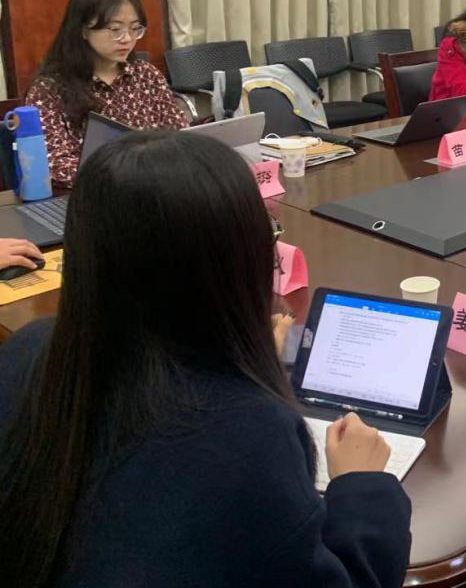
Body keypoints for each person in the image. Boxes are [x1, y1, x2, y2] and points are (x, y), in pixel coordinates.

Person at [0, 132, 411, 587]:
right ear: (238, 260)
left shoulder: (28, 351)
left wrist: (242, 356)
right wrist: (361, 485)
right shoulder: (250, 434)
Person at [25, 0, 187, 187]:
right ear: (83, 30)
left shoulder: (146, 75)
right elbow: (53, 165)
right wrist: (131, 172)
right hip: (93, 194)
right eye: (115, 29)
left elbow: (179, 137)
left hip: (152, 188)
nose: (127, 39)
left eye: (135, 29)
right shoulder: (49, 89)